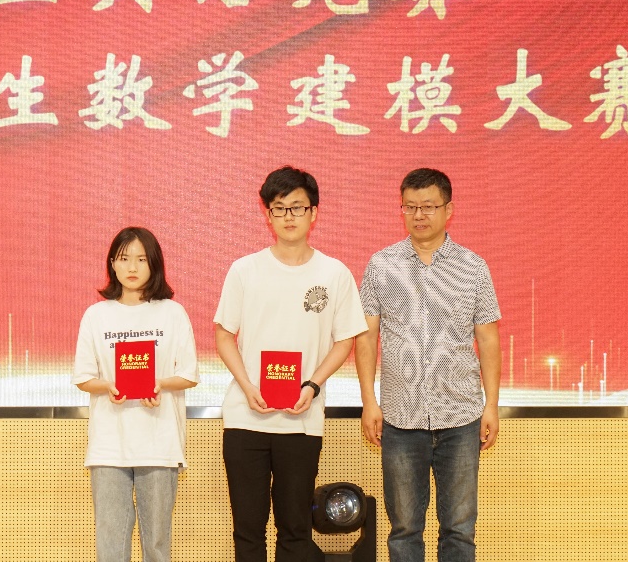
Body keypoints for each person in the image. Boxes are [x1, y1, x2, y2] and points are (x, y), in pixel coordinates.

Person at [214, 165, 367, 562]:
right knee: (248, 530)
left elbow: (345, 339)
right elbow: (224, 334)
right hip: (246, 418)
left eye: (297, 207)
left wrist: (312, 385)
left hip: (302, 418)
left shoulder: (334, 273)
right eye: (279, 208)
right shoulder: (244, 270)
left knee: (295, 529)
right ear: (267, 214)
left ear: (314, 212)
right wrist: (247, 386)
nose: (288, 216)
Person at [355, 167, 502, 562]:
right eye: (410, 207)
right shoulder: (381, 265)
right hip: (401, 419)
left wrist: (491, 404)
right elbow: (366, 337)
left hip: (461, 417)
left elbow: (488, 339)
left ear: (448, 209)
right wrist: (369, 401)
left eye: (428, 206)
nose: (419, 215)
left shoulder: (474, 267)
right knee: (404, 530)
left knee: (459, 530)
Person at [73, 227, 200, 562]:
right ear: (112, 264)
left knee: (156, 543)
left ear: (154, 264)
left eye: (141, 259)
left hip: (159, 443)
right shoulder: (97, 315)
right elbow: (84, 377)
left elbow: (189, 374)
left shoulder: (172, 313)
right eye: (124, 258)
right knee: (110, 544)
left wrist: (160, 384)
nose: (132, 267)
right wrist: (108, 386)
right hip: (108, 446)